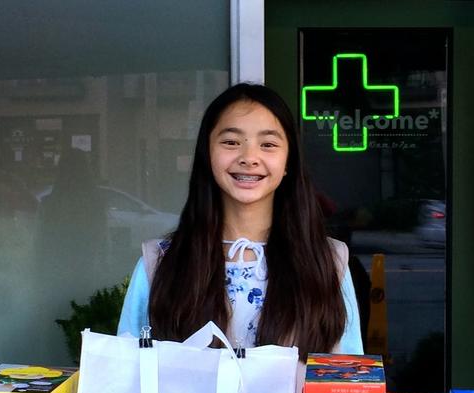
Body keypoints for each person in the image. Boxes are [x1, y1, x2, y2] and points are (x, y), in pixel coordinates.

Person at [117, 83, 363, 357]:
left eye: (268, 144)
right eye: (231, 142)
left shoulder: (328, 262)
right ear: (207, 154)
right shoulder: (160, 262)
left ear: (288, 162)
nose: (249, 158)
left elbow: (350, 378)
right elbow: (127, 372)